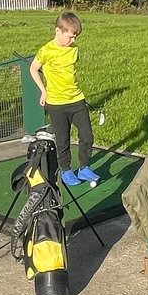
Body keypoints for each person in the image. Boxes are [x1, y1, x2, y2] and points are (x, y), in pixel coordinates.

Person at [29, 11, 98, 186]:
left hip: (76, 100)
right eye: (70, 36)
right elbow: (33, 69)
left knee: (87, 135)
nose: (73, 40)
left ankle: (84, 167)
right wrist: (43, 91)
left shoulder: (74, 50)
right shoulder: (46, 50)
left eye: (75, 37)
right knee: (63, 139)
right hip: (57, 104)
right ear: (58, 31)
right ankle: (66, 170)